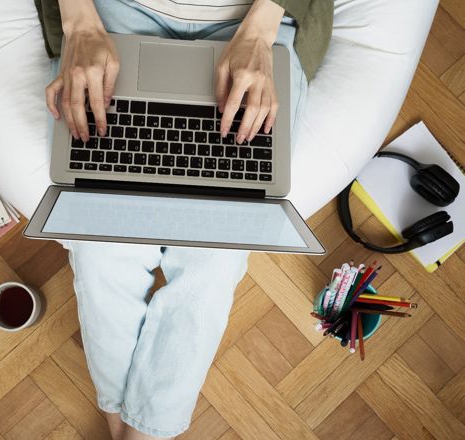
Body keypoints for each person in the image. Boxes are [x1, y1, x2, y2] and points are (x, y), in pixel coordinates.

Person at [34, 0, 333, 438]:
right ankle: (136, 431)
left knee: (212, 264)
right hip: (114, 13)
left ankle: (132, 430)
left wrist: (258, 33)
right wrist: (79, 22)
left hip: (256, 22)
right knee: (100, 247)